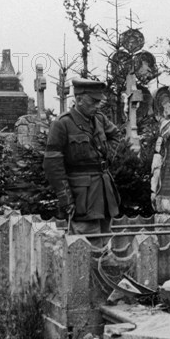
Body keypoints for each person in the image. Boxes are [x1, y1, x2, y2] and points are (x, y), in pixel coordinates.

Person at [43, 79, 121, 239]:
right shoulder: (62, 124)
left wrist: (106, 158)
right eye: (93, 101)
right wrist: (65, 198)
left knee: (106, 241)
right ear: (79, 100)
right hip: (82, 197)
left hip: (104, 192)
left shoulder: (99, 119)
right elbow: (53, 165)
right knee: (85, 246)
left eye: (99, 101)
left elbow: (115, 135)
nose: (98, 105)